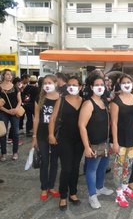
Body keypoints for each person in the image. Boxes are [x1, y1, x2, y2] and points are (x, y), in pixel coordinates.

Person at [48, 76, 84, 211]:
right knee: (66, 168)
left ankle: (73, 193)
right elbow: (52, 118)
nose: (72, 87)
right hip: (64, 139)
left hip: (79, 140)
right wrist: (51, 134)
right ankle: (63, 195)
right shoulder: (61, 100)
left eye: (75, 85)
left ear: (80, 87)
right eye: (70, 85)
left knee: (75, 168)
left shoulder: (84, 101)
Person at [78, 75, 113, 209]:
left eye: (102, 85)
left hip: (105, 141)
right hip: (93, 143)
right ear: (91, 87)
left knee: (103, 166)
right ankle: (92, 195)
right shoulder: (88, 103)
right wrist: (86, 147)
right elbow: (82, 126)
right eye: (97, 85)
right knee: (91, 169)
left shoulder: (104, 102)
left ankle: (100, 187)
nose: (100, 87)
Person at [110, 74, 133, 207]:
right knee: (118, 166)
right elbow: (114, 123)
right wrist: (115, 142)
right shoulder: (116, 101)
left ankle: (124, 186)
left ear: (132, 83)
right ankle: (119, 192)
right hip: (120, 139)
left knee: (128, 165)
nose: (127, 84)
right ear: (120, 85)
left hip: (132, 137)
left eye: (129, 82)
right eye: (124, 82)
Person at [32, 74, 60, 201]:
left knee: (54, 161)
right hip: (42, 134)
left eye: (50, 82)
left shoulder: (61, 98)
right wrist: (34, 136)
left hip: (57, 134)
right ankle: (44, 187)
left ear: (56, 83)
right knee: (45, 161)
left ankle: (51, 186)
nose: (47, 85)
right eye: (45, 83)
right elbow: (36, 118)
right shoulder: (40, 98)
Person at [0, 69, 22, 161]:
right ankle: (3, 153)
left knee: (16, 133)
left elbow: (20, 100)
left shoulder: (16, 87)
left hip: (15, 112)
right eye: (7, 74)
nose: (10, 76)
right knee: (3, 133)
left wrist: (16, 109)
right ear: (3, 76)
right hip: (3, 112)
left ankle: (15, 152)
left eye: (11, 75)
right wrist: (8, 111)